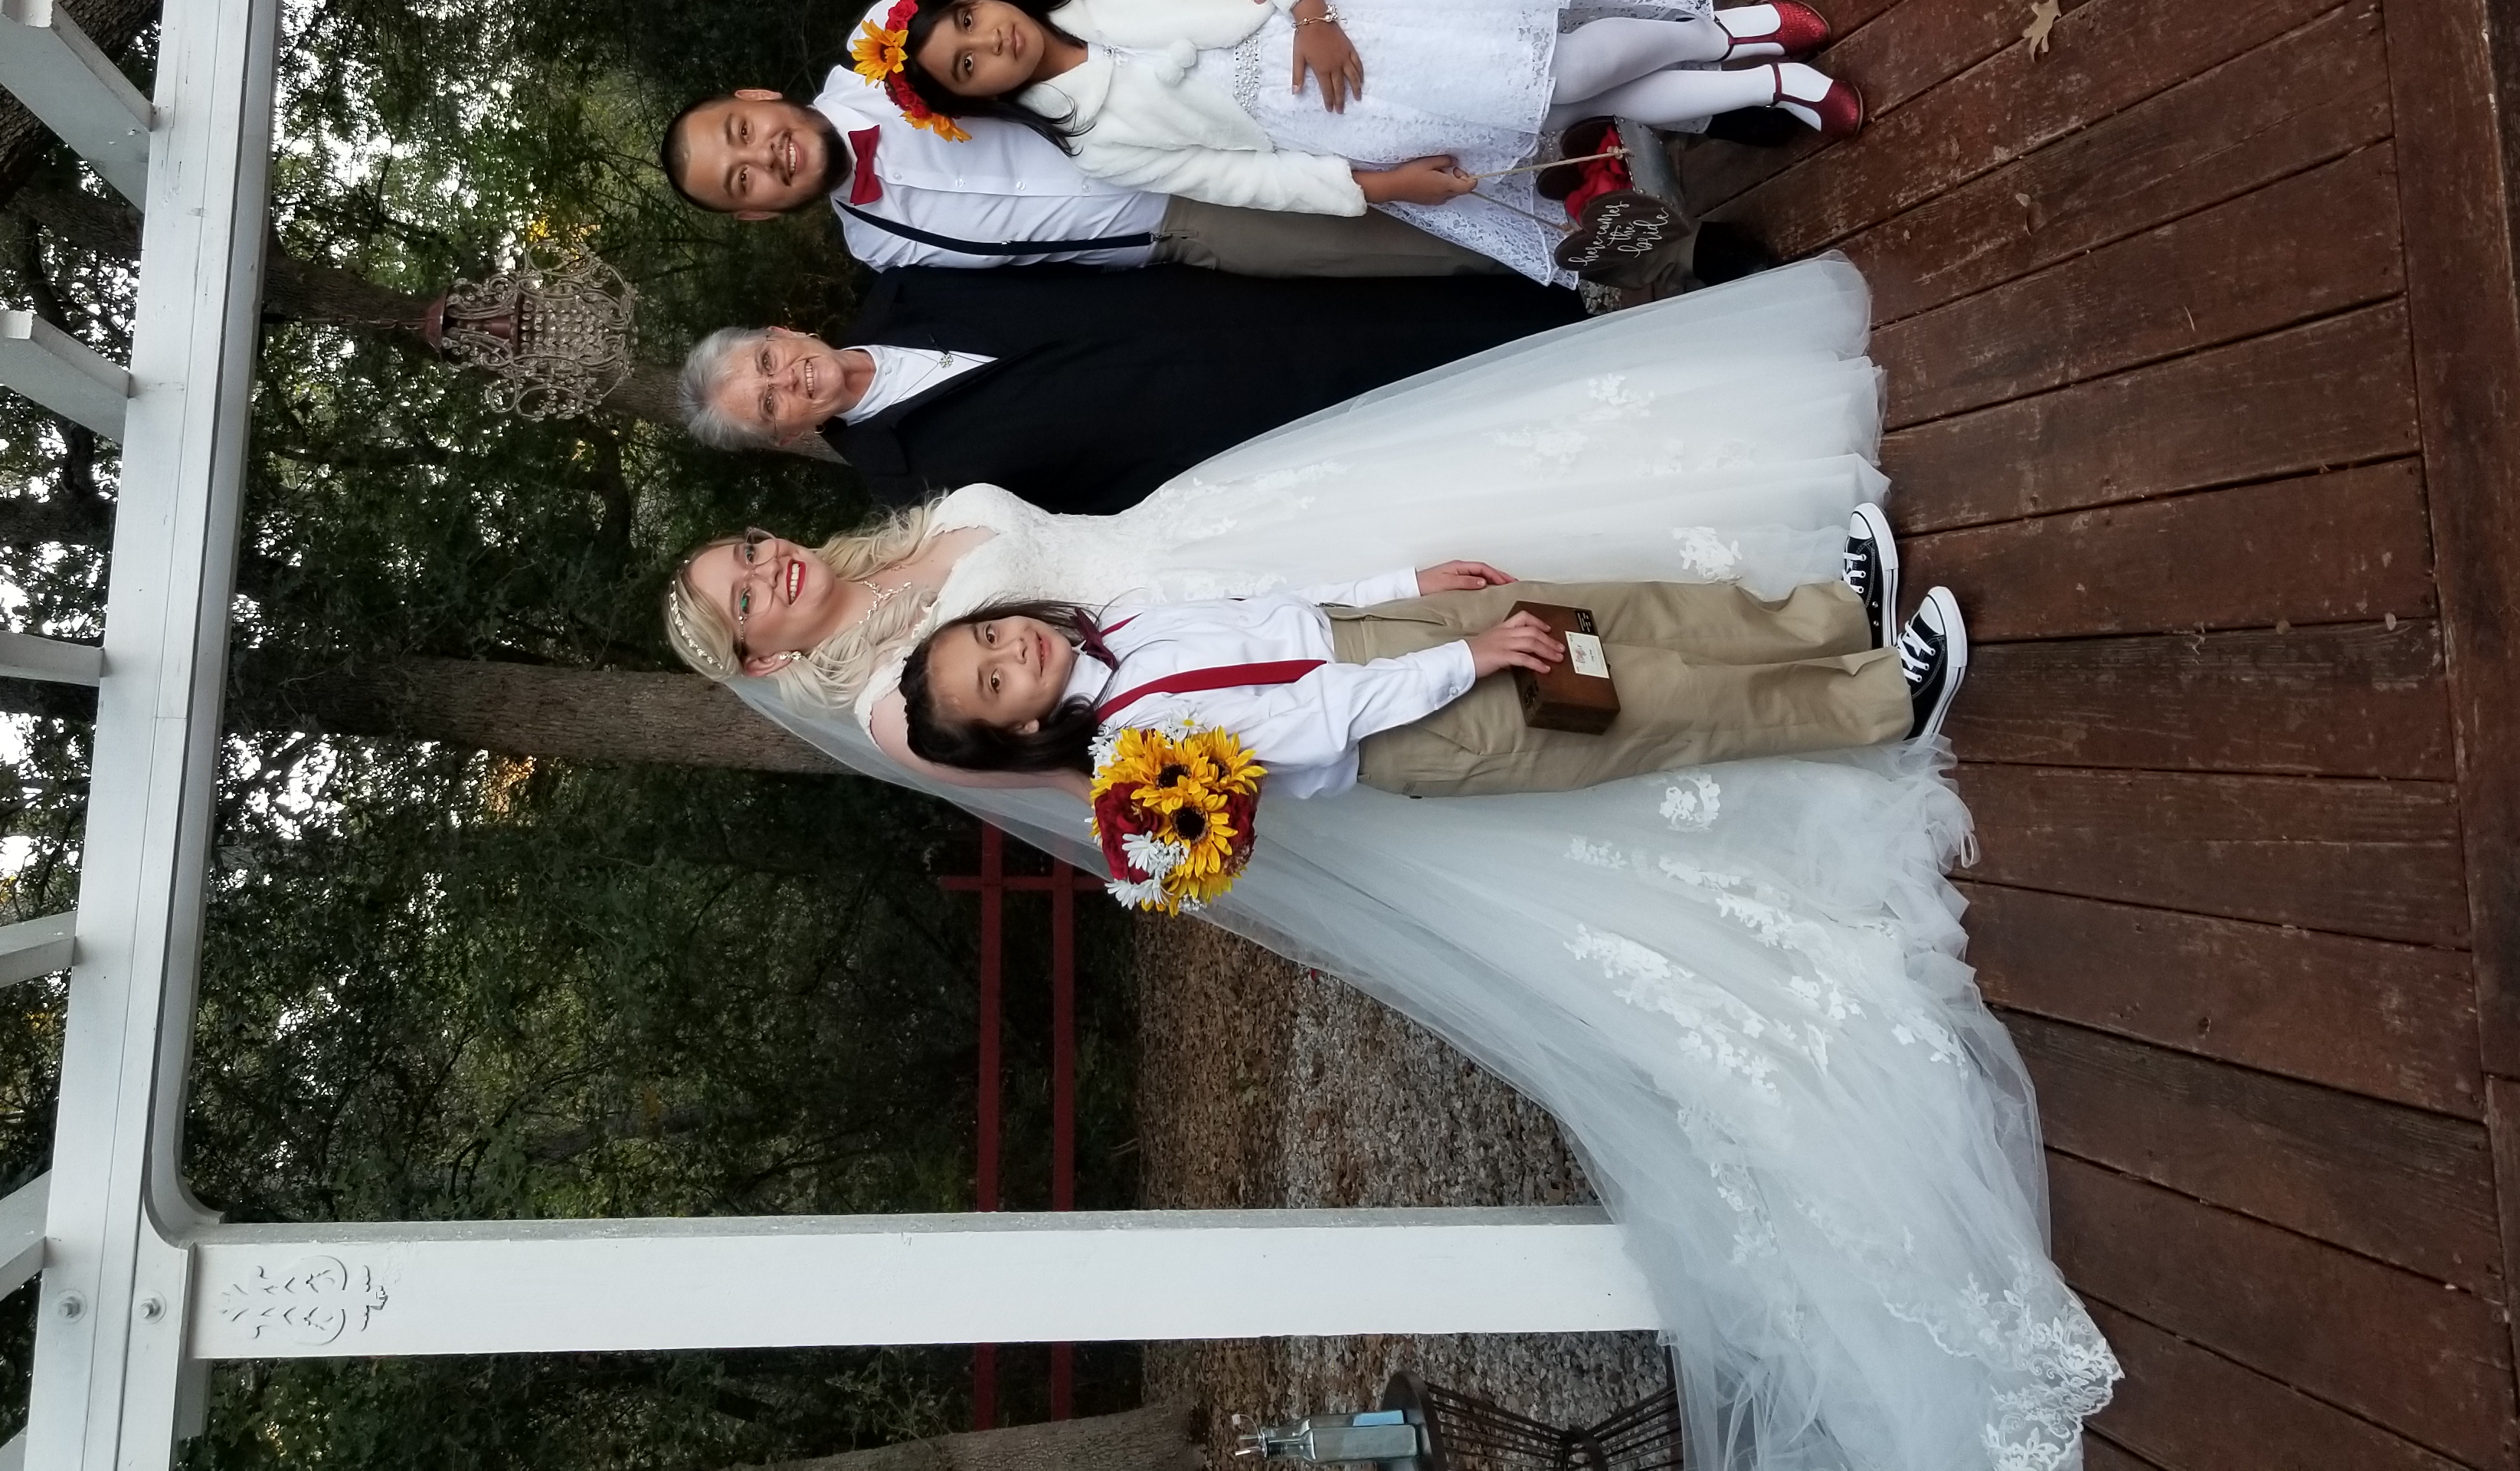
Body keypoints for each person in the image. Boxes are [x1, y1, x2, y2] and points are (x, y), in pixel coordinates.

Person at [654, 257, 2116, 1471]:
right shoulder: (896, 705)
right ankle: (1863, 697)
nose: (770, 564)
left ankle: (1811, 611)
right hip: (1265, 698)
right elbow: (1090, 776)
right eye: (744, 594)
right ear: (759, 656)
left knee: (1586, 595)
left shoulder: (906, 526)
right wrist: (1201, 776)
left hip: (1244, 589)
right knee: (1588, 699)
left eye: (751, 545)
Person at [863, 0, 1862, 281]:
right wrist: (1384, 190)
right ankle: (1768, 85)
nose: (985, 42)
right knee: (1568, 101)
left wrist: (1306, 11)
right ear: (978, 95)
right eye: (966, 65)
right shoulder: (1099, 139)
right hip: (1350, 123)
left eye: (969, 20)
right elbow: (1248, 183)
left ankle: (1733, 34)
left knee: (1572, 57)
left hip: (1361, 21)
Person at [658, 0, 1520, 279]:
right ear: (757, 214)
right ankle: (1567, 216)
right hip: (1178, 223)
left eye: (742, 131)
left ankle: (1532, 101)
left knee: (1393, 98)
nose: (762, 156)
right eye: (741, 180)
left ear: (759, 95)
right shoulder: (880, 250)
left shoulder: (886, 33)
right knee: (1407, 241)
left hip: (1182, 85)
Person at [899, 543, 1969, 794]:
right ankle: (1883, 700)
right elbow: (1314, 718)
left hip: (1392, 631)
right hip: (1415, 719)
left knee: (1626, 611)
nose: (1013, 654)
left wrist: (1410, 581)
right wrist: (1468, 656)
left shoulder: (1119, 624)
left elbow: (1282, 603)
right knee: (1653, 699)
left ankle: (1832, 619)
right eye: (995, 684)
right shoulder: (1138, 751)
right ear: (1016, 731)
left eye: (990, 639)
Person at [676, 258, 1579, 513]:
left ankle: (1581, 298)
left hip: (1222, 307)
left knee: (1436, 314)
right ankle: (1580, 388)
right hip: (1229, 429)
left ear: (783, 331)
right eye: (770, 402)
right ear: (789, 434)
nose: (787, 379)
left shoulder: (907, 283)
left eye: (767, 361)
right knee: (1428, 409)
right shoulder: (910, 488)